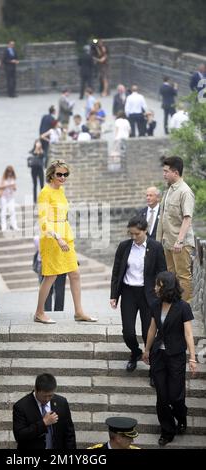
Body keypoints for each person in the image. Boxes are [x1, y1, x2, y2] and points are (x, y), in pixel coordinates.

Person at [34, 160, 98, 324]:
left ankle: (79, 312)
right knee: (51, 276)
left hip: (66, 236)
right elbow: (43, 220)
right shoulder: (44, 192)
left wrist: (64, 235)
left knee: (75, 273)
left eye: (65, 174)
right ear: (51, 175)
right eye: (59, 174)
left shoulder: (60, 191)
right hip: (52, 238)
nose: (63, 177)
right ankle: (39, 312)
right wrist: (57, 236)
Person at [143, 271, 197, 446]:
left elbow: (188, 334)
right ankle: (167, 431)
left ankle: (181, 416)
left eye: (158, 284)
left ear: (166, 286)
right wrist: (146, 350)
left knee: (176, 396)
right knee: (162, 396)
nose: (155, 287)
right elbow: (152, 329)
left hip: (176, 356)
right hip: (158, 355)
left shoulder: (183, 307)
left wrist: (193, 358)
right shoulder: (155, 304)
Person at [110, 216, 167, 380]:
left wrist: (161, 294)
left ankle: (153, 367)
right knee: (128, 332)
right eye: (131, 234)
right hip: (128, 292)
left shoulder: (155, 247)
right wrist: (114, 295)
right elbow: (116, 272)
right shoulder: (124, 246)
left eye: (137, 234)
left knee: (147, 332)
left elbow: (162, 272)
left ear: (145, 231)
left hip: (148, 294)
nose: (134, 237)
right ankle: (135, 352)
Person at [156, 156, 195, 302]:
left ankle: (184, 310)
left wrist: (179, 241)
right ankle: (173, 308)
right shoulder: (169, 191)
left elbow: (187, 218)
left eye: (166, 171)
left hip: (181, 244)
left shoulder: (185, 192)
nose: (164, 174)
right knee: (170, 276)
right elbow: (163, 218)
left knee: (183, 276)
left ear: (176, 172)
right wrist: (158, 241)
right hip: (168, 242)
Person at [13, 373, 76, 450]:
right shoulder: (21, 406)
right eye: (44, 396)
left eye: (50, 396)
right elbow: (19, 436)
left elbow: (69, 433)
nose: (47, 399)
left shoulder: (61, 402)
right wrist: (43, 423)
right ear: (36, 390)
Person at [34, 235, 67, 312]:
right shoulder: (61, 234)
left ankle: (48, 310)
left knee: (50, 287)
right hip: (55, 262)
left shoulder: (38, 237)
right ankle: (57, 311)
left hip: (49, 262)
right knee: (58, 288)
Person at [0, 165, 18, 232]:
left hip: (11, 197)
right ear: (6, 172)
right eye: (8, 172)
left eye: (11, 172)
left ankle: (14, 225)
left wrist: (14, 187)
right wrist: (8, 185)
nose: (10, 173)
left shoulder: (13, 178)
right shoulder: (2, 178)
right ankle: (3, 227)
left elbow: (15, 188)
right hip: (3, 197)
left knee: (12, 211)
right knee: (3, 211)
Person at [29, 140, 45, 204]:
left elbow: (42, 156)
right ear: (35, 144)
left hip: (40, 169)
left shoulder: (42, 151)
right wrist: (36, 149)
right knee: (35, 185)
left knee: (42, 185)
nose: (38, 144)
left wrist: (39, 149)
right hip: (34, 169)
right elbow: (31, 156)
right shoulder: (32, 151)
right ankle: (35, 200)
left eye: (39, 143)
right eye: (37, 143)